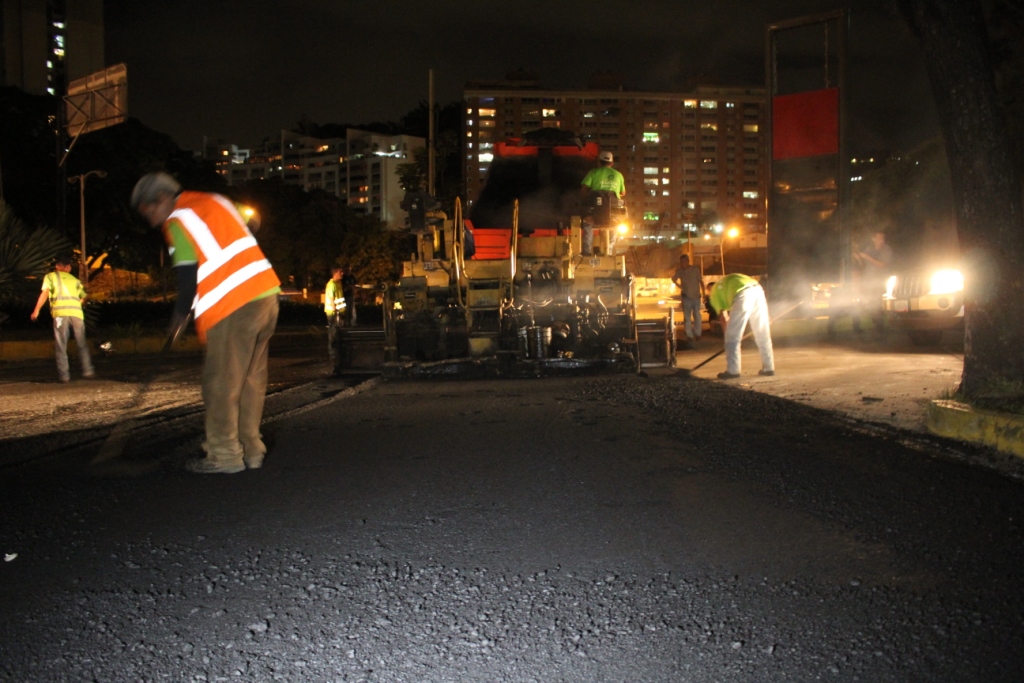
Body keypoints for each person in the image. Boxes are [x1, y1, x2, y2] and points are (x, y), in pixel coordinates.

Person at [131, 172, 281, 474]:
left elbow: (187, 279)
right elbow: (254, 222)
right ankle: (251, 449)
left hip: (232, 305)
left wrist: (179, 317)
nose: (151, 221)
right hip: (265, 296)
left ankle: (224, 456)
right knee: (251, 379)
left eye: (149, 212)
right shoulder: (215, 200)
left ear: (161, 199)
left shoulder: (177, 220)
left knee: (221, 384)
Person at [30, 256, 94, 383]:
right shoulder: (75, 280)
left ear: (57, 266)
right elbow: (85, 297)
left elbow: (45, 293)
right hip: (77, 314)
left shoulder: (51, 276)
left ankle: (64, 376)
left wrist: (36, 310)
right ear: (67, 267)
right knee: (81, 343)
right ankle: (88, 370)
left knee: (61, 345)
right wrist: (76, 303)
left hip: (60, 314)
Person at [708, 273, 774, 380]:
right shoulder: (726, 282)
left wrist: (728, 339)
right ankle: (769, 368)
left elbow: (724, 318)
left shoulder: (714, 294)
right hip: (758, 290)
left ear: (709, 290)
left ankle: (733, 371)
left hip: (742, 294)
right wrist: (766, 317)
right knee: (762, 332)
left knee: (732, 336)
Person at [579, 150, 626, 256]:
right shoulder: (618, 175)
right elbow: (623, 192)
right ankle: (608, 251)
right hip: (613, 211)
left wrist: (585, 199)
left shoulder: (593, 172)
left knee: (587, 223)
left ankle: (587, 251)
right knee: (616, 225)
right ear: (612, 163)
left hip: (596, 209)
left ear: (599, 162)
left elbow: (584, 189)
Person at [852, 230, 894, 336]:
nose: (881, 240)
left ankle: (880, 329)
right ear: (873, 238)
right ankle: (878, 327)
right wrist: (858, 258)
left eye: (882, 238)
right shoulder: (869, 249)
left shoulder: (886, 250)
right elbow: (863, 266)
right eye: (879, 238)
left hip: (880, 282)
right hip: (869, 282)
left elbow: (882, 264)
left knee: (877, 305)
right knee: (869, 305)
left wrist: (867, 257)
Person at [671, 254, 705, 343]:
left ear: (688, 261)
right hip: (686, 297)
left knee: (697, 315)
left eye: (684, 262)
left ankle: (698, 333)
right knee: (687, 317)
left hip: (696, 296)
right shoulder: (680, 271)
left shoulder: (695, 269)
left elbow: (701, 281)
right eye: (681, 262)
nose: (683, 264)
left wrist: (704, 294)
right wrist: (680, 286)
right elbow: (673, 279)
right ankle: (689, 335)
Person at [324, 267, 345, 372]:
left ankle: (337, 354)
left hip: (339, 312)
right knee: (333, 333)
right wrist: (335, 309)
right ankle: (333, 355)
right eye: (340, 272)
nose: (342, 273)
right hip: (333, 313)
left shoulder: (338, 283)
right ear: (336, 273)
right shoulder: (331, 284)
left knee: (337, 333)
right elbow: (331, 298)